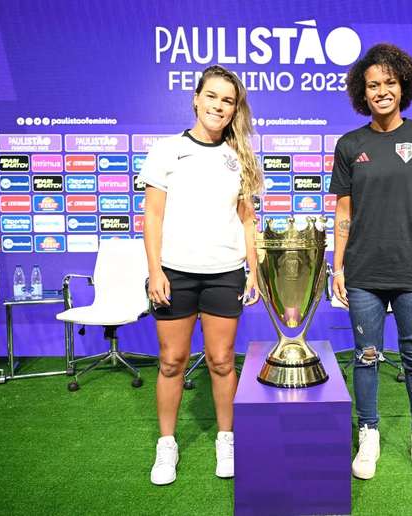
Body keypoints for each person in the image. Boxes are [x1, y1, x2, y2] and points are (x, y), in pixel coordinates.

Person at [329, 43, 412, 483]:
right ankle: (369, 433)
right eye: (373, 85)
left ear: (404, 86)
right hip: (363, 273)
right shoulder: (350, 144)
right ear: (362, 94)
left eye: (390, 83)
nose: (382, 91)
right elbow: (343, 214)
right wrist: (338, 268)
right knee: (366, 356)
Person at [140, 65, 262, 484]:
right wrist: (155, 270)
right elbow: (152, 216)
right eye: (212, 96)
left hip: (225, 273)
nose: (219, 106)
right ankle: (167, 446)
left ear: (234, 109)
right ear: (196, 98)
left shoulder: (239, 157)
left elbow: (247, 221)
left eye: (228, 101)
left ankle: (225, 440)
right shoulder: (167, 149)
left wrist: (254, 271)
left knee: (222, 361)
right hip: (175, 274)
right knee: (172, 361)